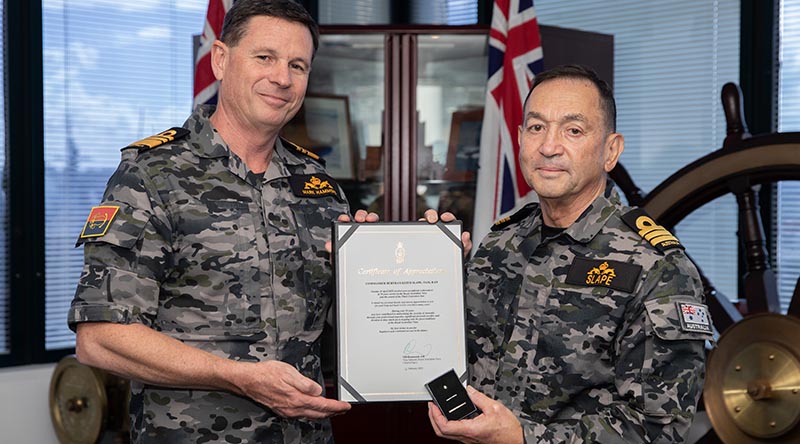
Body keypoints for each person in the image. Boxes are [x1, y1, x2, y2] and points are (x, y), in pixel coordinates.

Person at [68, 1, 373, 442]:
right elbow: (100, 338)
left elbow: (340, 330)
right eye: (264, 57)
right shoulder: (152, 176)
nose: (282, 78)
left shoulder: (319, 188)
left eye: (297, 65)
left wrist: (405, 268)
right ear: (221, 59)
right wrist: (238, 377)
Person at [426, 65, 714, 443]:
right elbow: (448, 353)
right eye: (536, 127)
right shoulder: (498, 244)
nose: (549, 146)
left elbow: (658, 429)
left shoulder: (656, 266)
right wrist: (425, 273)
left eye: (573, 130)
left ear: (611, 151)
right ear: (519, 138)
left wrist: (524, 439)